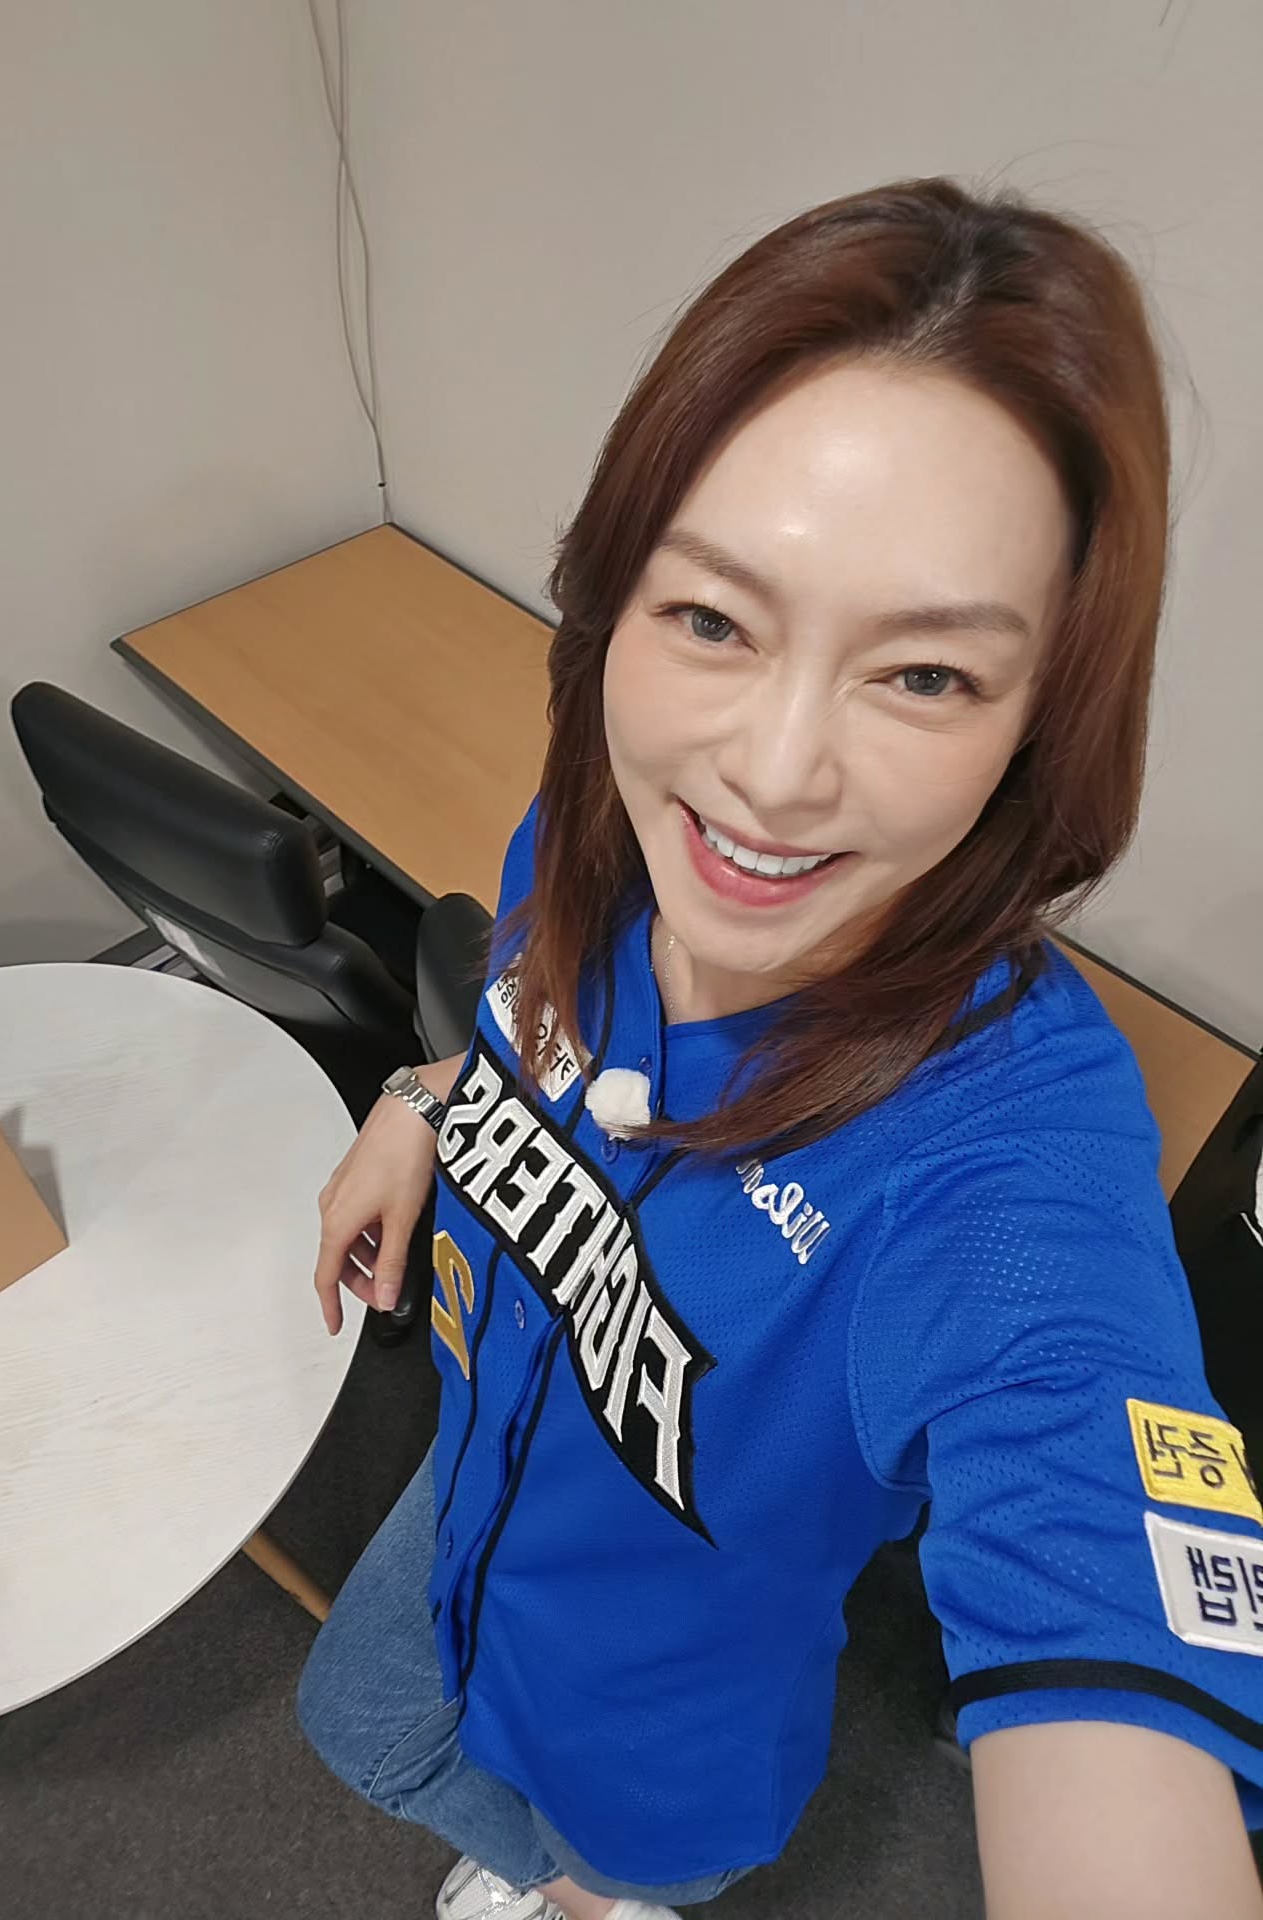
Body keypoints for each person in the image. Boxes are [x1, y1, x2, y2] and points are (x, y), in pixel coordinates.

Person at [296, 176, 1263, 1919]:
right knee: (355, 1720)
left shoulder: (1007, 1155)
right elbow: (535, 1061)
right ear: (612, 604)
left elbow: (1094, 1536)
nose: (771, 773)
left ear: (1039, 724)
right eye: (713, 620)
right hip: (475, 1492)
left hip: (653, 1740)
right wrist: (421, 1105)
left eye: (925, 677)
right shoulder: (589, 843)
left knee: (579, 1870)